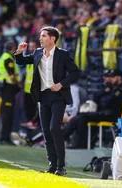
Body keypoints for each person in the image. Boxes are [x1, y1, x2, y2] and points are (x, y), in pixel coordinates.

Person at [14, 26, 80, 176]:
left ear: (52, 39)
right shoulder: (38, 53)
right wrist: (19, 52)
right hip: (43, 97)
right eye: (40, 36)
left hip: (58, 96)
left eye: (44, 36)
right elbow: (21, 61)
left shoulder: (63, 54)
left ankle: (61, 166)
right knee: (46, 132)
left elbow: (75, 73)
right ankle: (52, 165)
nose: (40, 38)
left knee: (54, 128)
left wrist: (61, 84)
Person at [0, 41, 21, 145]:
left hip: (5, 88)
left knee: (7, 113)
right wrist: (19, 83)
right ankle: (5, 137)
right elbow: (12, 76)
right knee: (8, 114)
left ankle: (5, 137)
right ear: (13, 48)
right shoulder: (8, 59)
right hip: (8, 88)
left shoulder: (4, 57)